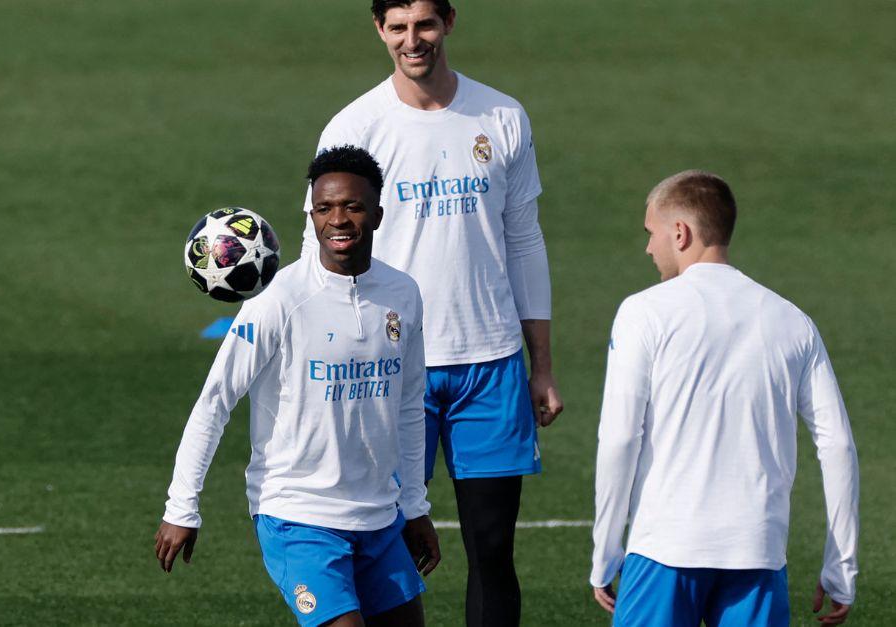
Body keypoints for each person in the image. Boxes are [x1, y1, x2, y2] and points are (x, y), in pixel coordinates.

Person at [300, 2, 563, 624]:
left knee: (493, 548)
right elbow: (322, 251)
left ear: (448, 23)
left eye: (424, 25)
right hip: (391, 368)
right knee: (384, 546)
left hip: (490, 365)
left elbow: (524, 241)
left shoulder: (502, 116)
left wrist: (542, 366)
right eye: (397, 28)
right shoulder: (354, 126)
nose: (412, 41)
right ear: (379, 31)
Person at [156, 146, 441, 627]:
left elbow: (411, 405)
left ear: (377, 214)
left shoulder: (403, 293)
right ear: (311, 215)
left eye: (352, 206)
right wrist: (181, 507)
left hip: (378, 517)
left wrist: (414, 507)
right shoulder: (278, 301)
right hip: (298, 514)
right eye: (325, 208)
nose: (339, 220)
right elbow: (214, 404)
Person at [589, 170, 860, 626]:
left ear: (680, 232)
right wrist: (842, 569)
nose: (648, 248)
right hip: (758, 553)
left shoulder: (643, 312)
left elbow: (619, 438)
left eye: (650, 233)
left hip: (662, 551)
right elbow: (838, 448)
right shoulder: (792, 321)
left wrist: (606, 554)